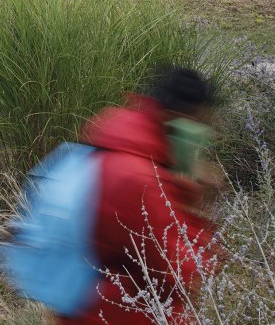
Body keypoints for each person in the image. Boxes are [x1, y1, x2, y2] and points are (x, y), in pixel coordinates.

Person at [56, 66, 217, 325]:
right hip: (113, 312)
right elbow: (173, 268)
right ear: (177, 119)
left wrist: (184, 190)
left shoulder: (119, 136)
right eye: (198, 127)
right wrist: (207, 235)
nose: (201, 140)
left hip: (83, 302)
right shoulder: (140, 180)